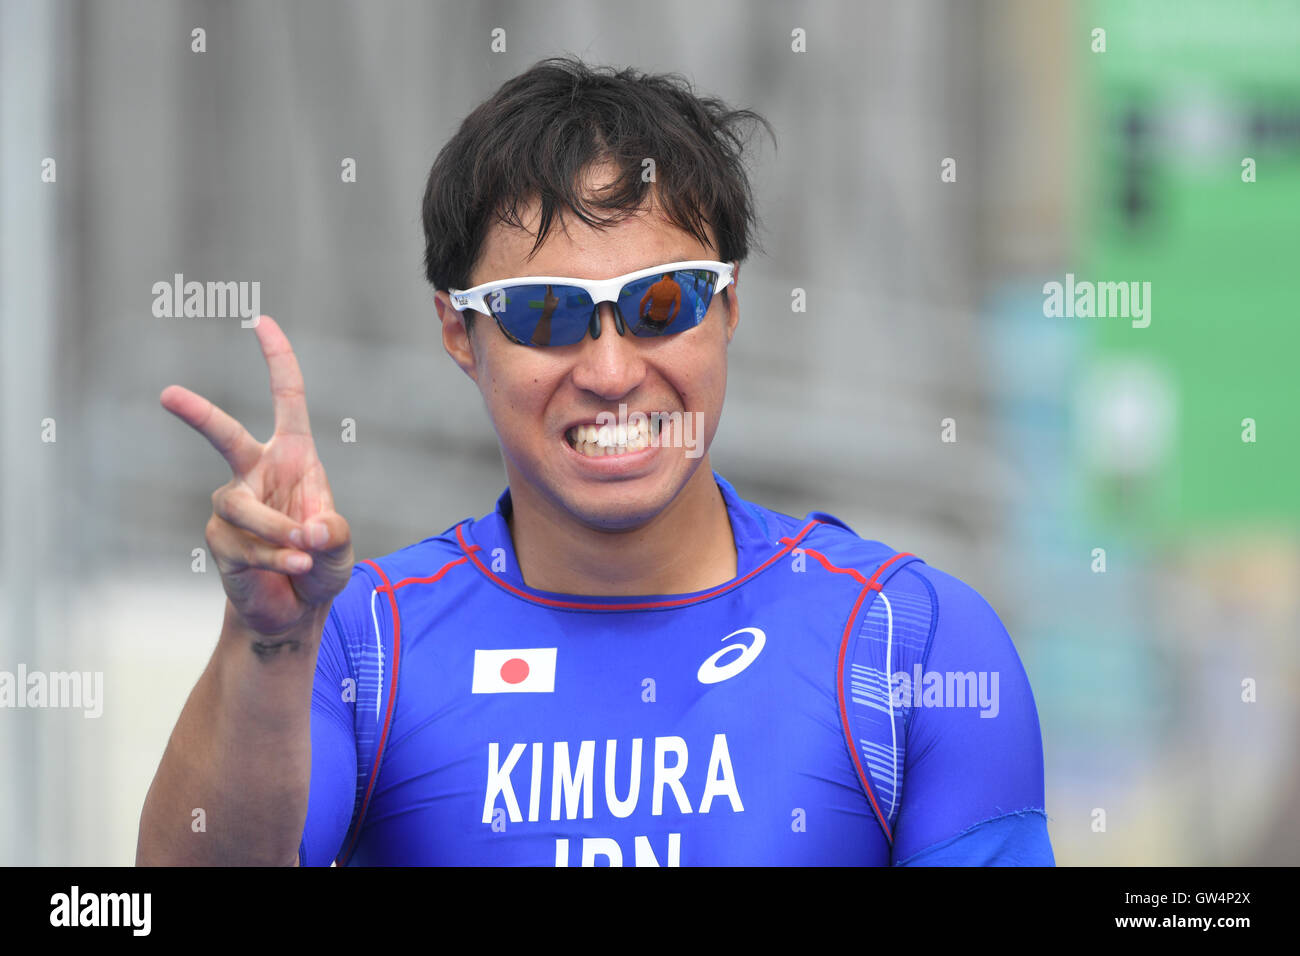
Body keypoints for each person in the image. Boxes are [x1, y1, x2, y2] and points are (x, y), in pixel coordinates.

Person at [137, 56, 1053, 866]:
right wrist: (269, 640)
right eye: (546, 312)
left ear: (730, 308)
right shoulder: (365, 647)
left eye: (663, 303)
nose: (612, 372)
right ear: (460, 332)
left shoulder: (910, 642)